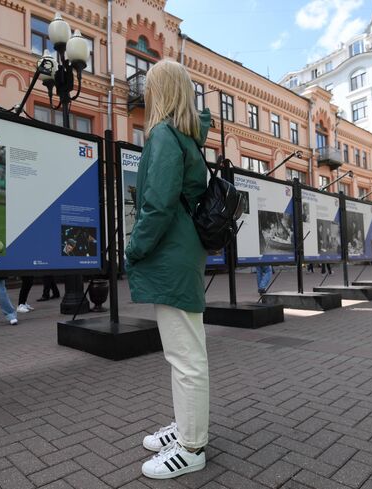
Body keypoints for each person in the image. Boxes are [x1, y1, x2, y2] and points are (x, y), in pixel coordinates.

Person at [125, 59, 211, 479]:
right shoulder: (187, 135)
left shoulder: (162, 135)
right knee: (184, 354)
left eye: (149, 87)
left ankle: (192, 447)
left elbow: (156, 206)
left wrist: (133, 249)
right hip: (183, 252)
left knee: (185, 357)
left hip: (170, 254)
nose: (144, 93)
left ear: (160, 92)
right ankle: (187, 428)